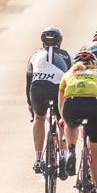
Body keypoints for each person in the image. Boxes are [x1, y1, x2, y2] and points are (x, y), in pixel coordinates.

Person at [59, 50, 97, 193]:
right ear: (94, 64)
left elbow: (61, 103)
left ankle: (71, 150)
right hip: (95, 106)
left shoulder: (68, 75)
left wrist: (64, 119)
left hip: (72, 106)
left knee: (70, 124)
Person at [26, 27, 72, 175]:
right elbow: (71, 80)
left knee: (39, 118)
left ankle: (38, 159)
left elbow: (29, 81)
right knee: (62, 121)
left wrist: (29, 102)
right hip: (58, 89)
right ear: (60, 42)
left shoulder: (34, 56)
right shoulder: (67, 56)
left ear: (42, 42)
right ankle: (64, 156)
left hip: (38, 89)